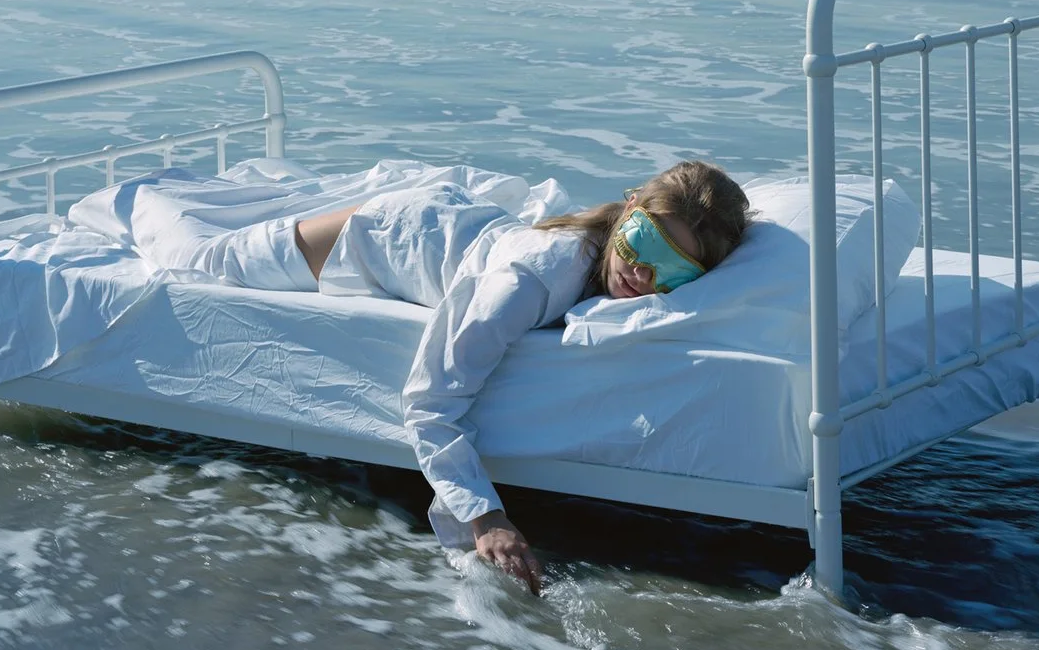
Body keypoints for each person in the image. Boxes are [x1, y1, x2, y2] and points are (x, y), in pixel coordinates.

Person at [167, 161, 750, 592]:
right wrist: (484, 518)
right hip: (383, 235)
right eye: (641, 242)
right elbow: (427, 400)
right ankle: (135, 199)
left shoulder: (613, 267)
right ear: (627, 211)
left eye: (672, 266)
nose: (643, 272)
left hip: (456, 224)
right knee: (199, 259)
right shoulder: (532, 279)